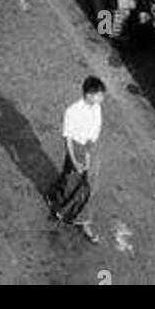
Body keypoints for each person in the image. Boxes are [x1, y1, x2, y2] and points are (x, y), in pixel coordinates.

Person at [47, 75, 105, 241]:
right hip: (78, 150)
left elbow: (96, 129)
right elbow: (68, 139)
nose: (102, 98)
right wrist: (75, 160)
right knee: (76, 181)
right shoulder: (73, 111)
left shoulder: (97, 107)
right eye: (99, 94)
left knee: (88, 185)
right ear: (89, 94)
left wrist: (90, 150)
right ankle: (71, 213)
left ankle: (77, 216)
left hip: (90, 148)